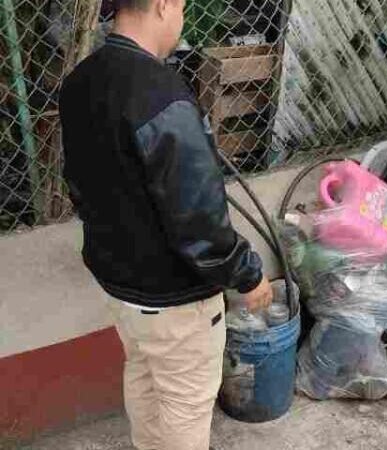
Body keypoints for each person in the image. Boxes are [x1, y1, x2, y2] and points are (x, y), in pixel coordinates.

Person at [59, 0, 273, 448]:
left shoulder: (80, 82)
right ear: (163, 5)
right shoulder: (162, 96)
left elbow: (78, 185)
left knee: (143, 376)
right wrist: (248, 276)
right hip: (174, 299)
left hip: (120, 288)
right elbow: (200, 223)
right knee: (185, 403)